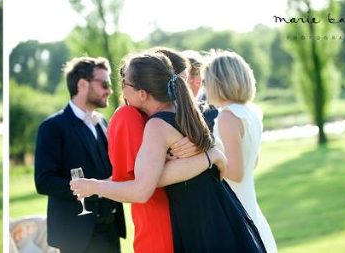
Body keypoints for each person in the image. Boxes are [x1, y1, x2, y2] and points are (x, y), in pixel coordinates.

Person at [71, 52, 265, 252]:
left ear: (142, 94)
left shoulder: (156, 126)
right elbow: (156, 177)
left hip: (199, 225)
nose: (121, 90)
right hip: (220, 214)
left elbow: (141, 190)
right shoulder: (185, 112)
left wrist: (93, 186)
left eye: (125, 83)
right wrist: (211, 157)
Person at [33, 57, 125, 253]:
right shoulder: (52, 127)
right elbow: (44, 181)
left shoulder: (102, 123)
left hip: (110, 229)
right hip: (76, 235)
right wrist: (87, 188)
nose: (109, 90)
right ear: (82, 84)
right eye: (104, 84)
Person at [204, 50, 277, 252]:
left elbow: (236, 172)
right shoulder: (252, 111)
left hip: (236, 209)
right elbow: (252, 162)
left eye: (206, 80)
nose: (205, 87)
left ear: (218, 81)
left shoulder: (228, 117)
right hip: (250, 204)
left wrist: (207, 158)